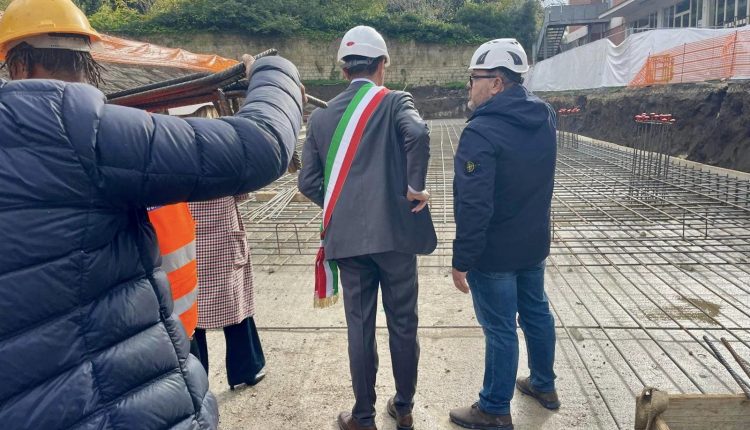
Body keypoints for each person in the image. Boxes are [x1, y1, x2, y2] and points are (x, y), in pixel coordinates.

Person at [0, 0, 304, 428]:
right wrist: (274, 72)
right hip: (129, 400)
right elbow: (258, 146)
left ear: (17, 66)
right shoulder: (86, 131)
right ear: (88, 61)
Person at [298, 25, 436, 430]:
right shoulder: (395, 102)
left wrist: (342, 206)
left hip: (349, 242)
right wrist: (414, 189)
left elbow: (307, 182)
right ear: (382, 66)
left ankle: (362, 417)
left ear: (343, 71)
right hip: (395, 236)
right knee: (404, 322)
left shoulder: (321, 118)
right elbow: (419, 133)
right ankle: (405, 406)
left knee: (359, 328)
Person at [449, 39, 559, 430]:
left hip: (495, 254)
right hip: (532, 244)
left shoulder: (481, 132)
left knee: (500, 328)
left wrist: (462, 259)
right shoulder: (544, 115)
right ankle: (544, 385)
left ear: (495, 83)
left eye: (473, 78)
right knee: (536, 312)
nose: (469, 86)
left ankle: (494, 408)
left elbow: (473, 206)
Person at [189, 194, 267, 390]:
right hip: (222, 232)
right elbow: (242, 190)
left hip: (186, 234)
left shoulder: (173, 162)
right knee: (234, 306)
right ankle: (245, 370)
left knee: (190, 313)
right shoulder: (221, 161)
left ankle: (195, 381)